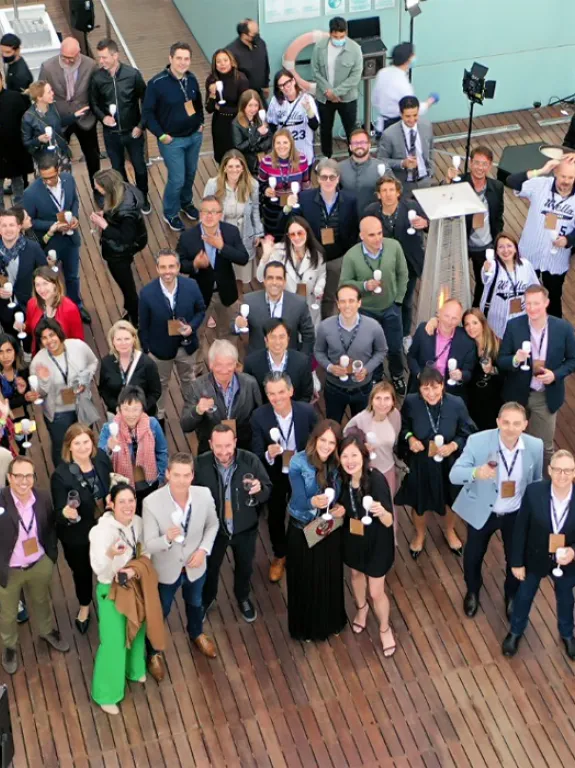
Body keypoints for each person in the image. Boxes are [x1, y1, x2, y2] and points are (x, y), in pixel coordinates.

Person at [450, 402, 543, 620]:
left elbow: (537, 481)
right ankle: (473, 590)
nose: (511, 428)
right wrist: (475, 473)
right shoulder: (477, 441)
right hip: (483, 511)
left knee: (515, 559)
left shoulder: (535, 446)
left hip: (516, 514)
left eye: (516, 423)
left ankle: (511, 595)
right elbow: (455, 475)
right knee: (473, 556)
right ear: (498, 422)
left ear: (525, 425)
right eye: (506, 422)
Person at [89, 483, 162, 715]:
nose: (128, 506)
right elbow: (98, 567)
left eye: (131, 500)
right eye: (122, 501)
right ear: (111, 502)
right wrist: (111, 553)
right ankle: (106, 693)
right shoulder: (101, 532)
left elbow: (147, 550)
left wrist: (135, 570)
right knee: (113, 641)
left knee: (138, 628)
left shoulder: (139, 523)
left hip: (135, 584)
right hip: (111, 587)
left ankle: (134, 669)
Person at [143, 452, 220, 663]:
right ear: (167, 474)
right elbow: (149, 544)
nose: (181, 481)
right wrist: (166, 538)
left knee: (195, 602)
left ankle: (196, 633)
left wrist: (203, 550)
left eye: (186, 475)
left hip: (195, 566)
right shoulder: (151, 502)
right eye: (176, 475)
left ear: (192, 475)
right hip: (166, 570)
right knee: (161, 611)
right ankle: (153, 651)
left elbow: (213, 524)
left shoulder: (204, 495)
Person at [395, 366, 476, 558]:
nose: (431, 393)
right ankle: (420, 534)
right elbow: (403, 427)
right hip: (421, 462)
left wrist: (454, 446)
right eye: (425, 388)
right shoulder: (411, 402)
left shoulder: (456, 403)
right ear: (420, 389)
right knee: (419, 502)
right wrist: (410, 439)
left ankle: (449, 531)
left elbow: (468, 431)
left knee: (450, 501)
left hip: (449, 462)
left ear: (443, 386)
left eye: (435, 387)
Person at [195, 423, 271, 622]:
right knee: (211, 568)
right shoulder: (200, 465)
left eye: (228, 446)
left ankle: (243, 597)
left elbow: (268, 490)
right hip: (214, 531)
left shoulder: (250, 461)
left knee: (245, 567)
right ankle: (207, 599)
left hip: (245, 528)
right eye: (218, 446)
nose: (224, 451)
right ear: (210, 444)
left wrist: (260, 488)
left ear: (235, 442)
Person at [0, 456, 69, 675]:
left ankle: (47, 631)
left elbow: (50, 525)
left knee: (41, 601)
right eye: (18, 476)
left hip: (39, 563)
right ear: (9, 477)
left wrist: (51, 556)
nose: (23, 481)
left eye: (28, 475)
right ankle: (9, 646)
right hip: (8, 570)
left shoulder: (43, 498)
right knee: (8, 614)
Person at [503, 449, 575, 659]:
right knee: (524, 596)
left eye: (568, 471)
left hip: (567, 561)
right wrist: (516, 562)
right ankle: (515, 632)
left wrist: (573, 551)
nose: (563, 475)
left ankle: (567, 634)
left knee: (565, 599)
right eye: (559, 470)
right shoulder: (534, 492)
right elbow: (520, 528)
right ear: (549, 470)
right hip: (534, 557)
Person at [498, 284, 575, 468]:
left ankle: (541, 486)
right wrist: (515, 360)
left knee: (544, 447)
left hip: (545, 396)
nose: (532, 308)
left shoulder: (563, 328)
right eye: (528, 303)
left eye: (536, 303)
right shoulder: (514, 325)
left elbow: (573, 359)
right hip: (517, 394)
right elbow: (501, 360)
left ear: (547, 303)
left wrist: (555, 375)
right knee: (511, 444)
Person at [250, 372, 318, 582]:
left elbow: (319, 439)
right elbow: (255, 451)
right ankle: (280, 555)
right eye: (271, 393)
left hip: (303, 471)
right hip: (275, 474)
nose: (277, 397)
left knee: (308, 509)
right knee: (276, 516)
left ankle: (308, 551)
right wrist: (268, 454)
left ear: (290, 391)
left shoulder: (307, 412)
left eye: (281, 392)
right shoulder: (259, 416)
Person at [286, 419, 346, 641]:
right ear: (315, 439)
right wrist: (315, 502)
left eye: (332, 442)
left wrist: (341, 507)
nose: (327, 446)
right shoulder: (298, 462)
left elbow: (345, 492)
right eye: (324, 440)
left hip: (328, 529)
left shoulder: (337, 464)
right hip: (302, 530)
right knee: (305, 580)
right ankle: (305, 628)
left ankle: (331, 622)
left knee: (329, 576)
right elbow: (299, 499)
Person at [51, 424, 112, 634]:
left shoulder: (102, 459)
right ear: (69, 446)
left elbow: (110, 483)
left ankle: (111, 600)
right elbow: (58, 513)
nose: (82, 447)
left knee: (109, 566)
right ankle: (85, 605)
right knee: (83, 572)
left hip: (105, 528)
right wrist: (66, 513)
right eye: (77, 443)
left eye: (86, 441)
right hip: (78, 536)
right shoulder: (61, 475)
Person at [339, 433, 395, 655]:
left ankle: (384, 628)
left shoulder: (376, 479)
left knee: (376, 591)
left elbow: (389, 521)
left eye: (354, 455)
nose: (349, 460)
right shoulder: (341, 480)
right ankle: (361, 610)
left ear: (363, 456)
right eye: (345, 456)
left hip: (377, 542)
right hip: (353, 538)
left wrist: (382, 512)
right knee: (355, 576)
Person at [339, 215, 409, 394]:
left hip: (391, 307)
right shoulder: (351, 256)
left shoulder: (394, 246)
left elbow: (403, 273)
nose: (378, 238)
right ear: (361, 235)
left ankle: (397, 374)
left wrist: (398, 300)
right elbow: (344, 284)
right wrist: (364, 286)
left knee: (394, 346)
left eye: (380, 233)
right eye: (372, 235)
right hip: (366, 311)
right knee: (370, 348)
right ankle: (376, 376)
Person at [177, 195, 249, 366]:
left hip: (226, 292)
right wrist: (194, 264)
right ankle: (198, 367)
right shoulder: (188, 237)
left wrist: (222, 247)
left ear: (220, 214)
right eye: (205, 212)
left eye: (213, 212)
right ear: (200, 214)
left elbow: (243, 258)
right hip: (200, 295)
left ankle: (228, 363)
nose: (209, 216)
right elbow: (178, 263)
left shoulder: (231, 232)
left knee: (229, 332)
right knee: (197, 333)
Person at [282, 159, 358, 319]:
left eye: (332, 177)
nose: (328, 181)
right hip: (310, 257)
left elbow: (354, 229)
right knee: (306, 295)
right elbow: (289, 225)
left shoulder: (351, 201)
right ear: (317, 178)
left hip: (336, 259)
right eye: (324, 177)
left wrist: (346, 253)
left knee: (330, 296)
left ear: (338, 178)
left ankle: (325, 324)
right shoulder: (304, 198)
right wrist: (288, 208)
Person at [138, 249, 206, 425]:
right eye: (163, 267)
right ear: (157, 268)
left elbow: (201, 310)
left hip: (187, 346)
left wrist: (192, 327)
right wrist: (148, 351)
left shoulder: (191, 286)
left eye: (171, 266)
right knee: (160, 385)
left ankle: (193, 413)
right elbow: (143, 326)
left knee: (188, 380)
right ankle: (159, 417)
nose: (167, 271)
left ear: (178, 267)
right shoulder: (146, 293)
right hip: (160, 351)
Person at [142, 42, 204, 233]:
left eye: (186, 59)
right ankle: (170, 213)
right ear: (170, 59)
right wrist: (161, 136)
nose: (183, 62)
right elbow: (148, 114)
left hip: (194, 136)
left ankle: (186, 203)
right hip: (172, 142)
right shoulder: (156, 84)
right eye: (179, 58)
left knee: (191, 173)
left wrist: (200, 122)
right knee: (177, 178)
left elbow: (197, 102)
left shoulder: (191, 79)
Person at [22, 155, 91, 323]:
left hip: (70, 239)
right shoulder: (30, 193)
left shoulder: (69, 180)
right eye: (44, 178)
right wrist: (54, 224)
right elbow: (31, 222)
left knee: (73, 276)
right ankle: (52, 312)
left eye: (52, 177)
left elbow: (74, 201)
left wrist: (74, 217)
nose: (48, 181)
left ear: (59, 170)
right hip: (49, 243)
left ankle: (76, 307)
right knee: (50, 280)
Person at [506, 157, 575, 318]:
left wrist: (568, 240)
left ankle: (553, 334)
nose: (566, 181)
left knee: (553, 299)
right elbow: (511, 181)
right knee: (525, 296)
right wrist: (541, 171)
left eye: (571, 177)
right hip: (530, 254)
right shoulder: (540, 184)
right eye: (563, 176)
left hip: (556, 259)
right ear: (555, 172)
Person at [364, 176, 428, 350]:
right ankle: (383, 336)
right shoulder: (371, 212)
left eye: (391, 190)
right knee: (383, 302)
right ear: (378, 195)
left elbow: (428, 224)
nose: (388, 194)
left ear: (398, 192)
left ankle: (405, 335)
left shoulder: (412, 207)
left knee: (406, 302)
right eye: (384, 191)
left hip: (408, 265)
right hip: (381, 267)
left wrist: (425, 223)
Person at [89, 38, 150, 211]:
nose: (101, 61)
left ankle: (143, 197)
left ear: (115, 55)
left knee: (140, 167)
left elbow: (146, 100)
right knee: (117, 170)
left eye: (104, 57)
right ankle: (126, 198)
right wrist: (103, 118)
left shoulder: (133, 75)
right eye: (100, 57)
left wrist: (141, 125)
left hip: (133, 132)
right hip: (111, 134)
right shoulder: (97, 78)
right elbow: (93, 103)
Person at [31, 319, 99, 467]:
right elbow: (39, 394)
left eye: (51, 335)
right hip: (58, 413)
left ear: (59, 333)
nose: (49, 340)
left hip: (82, 404)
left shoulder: (78, 346)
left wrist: (84, 378)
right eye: (44, 337)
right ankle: (64, 477)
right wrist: (44, 380)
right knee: (61, 448)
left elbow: (93, 362)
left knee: (86, 440)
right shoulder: (38, 362)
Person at [315, 284, 387, 422]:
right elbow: (318, 351)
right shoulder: (325, 327)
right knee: (332, 425)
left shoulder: (374, 327)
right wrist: (330, 367)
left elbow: (381, 350)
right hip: (334, 388)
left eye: (351, 301)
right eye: (342, 301)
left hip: (363, 389)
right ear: (337, 304)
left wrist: (367, 369)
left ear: (359, 303)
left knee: (360, 429)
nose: (347, 305)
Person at [445, 146, 505, 307]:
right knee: (456, 282)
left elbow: (498, 216)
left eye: (484, 164)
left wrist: (496, 241)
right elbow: (444, 202)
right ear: (470, 163)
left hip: (486, 246)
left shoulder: (497, 187)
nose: (480, 167)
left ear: (490, 165)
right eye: (477, 163)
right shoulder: (459, 183)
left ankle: (477, 311)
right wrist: (448, 182)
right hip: (462, 244)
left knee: (484, 282)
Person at [39, 37, 100, 190]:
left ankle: (97, 188)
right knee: (58, 158)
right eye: (64, 57)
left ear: (78, 53)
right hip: (60, 119)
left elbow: (96, 90)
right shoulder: (47, 67)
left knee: (92, 156)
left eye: (70, 58)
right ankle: (62, 189)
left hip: (85, 119)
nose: (67, 60)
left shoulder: (91, 65)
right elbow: (40, 95)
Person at [180, 339, 262, 454]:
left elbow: (259, 419)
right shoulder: (197, 387)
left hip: (244, 450)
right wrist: (197, 410)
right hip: (211, 451)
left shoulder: (250, 384)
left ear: (235, 364)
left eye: (229, 364)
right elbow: (185, 425)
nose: (224, 370)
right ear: (211, 364)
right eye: (219, 365)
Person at [90, 169, 147, 326]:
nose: (96, 189)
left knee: (127, 286)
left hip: (120, 251)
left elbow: (125, 237)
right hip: (134, 240)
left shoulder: (126, 211)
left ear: (107, 187)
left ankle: (135, 318)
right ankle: (131, 309)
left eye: (98, 186)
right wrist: (106, 213)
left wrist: (104, 225)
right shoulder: (123, 189)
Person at [99, 385, 168, 513]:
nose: (131, 414)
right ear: (119, 409)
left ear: (142, 408)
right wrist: (108, 447)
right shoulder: (109, 428)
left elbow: (162, 451)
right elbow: (99, 459)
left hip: (148, 482)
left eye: (135, 409)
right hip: (121, 486)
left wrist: (160, 476)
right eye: (126, 409)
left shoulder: (152, 424)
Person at [203, 150, 263, 289]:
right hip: (221, 232)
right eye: (230, 166)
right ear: (224, 168)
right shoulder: (213, 184)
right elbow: (206, 212)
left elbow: (255, 208)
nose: (234, 170)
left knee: (240, 275)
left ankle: (239, 298)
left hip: (244, 232)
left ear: (243, 167)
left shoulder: (252, 184)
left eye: (237, 166)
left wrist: (258, 233)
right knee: (224, 270)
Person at [233, 261, 315, 356]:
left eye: (279, 278)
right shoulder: (249, 301)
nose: (274, 282)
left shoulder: (299, 304)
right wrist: (237, 324)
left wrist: (302, 360)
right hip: (258, 362)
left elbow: (309, 336)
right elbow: (233, 326)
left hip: (290, 362)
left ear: (284, 282)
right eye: (270, 278)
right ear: (264, 281)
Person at [256, 217, 326, 327]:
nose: (297, 237)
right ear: (288, 236)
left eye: (300, 233)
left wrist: (319, 287)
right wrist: (265, 256)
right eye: (292, 234)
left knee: (309, 337)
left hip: (310, 306)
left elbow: (322, 275)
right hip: (285, 307)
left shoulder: (317, 255)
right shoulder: (278, 252)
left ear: (307, 233)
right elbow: (260, 277)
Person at [310, 17, 363, 158]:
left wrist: (335, 92)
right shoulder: (320, 47)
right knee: (326, 129)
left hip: (347, 99)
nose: (338, 39)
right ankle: (327, 157)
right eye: (335, 36)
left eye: (342, 36)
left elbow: (355, 77)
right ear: (330, 33)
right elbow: (315, 71)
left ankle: (354, 158)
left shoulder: (355, 49)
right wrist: (328, 91)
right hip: (324, 97)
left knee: (351, 129)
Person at [407, 298, 477, 397]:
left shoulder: (467, 341)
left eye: (454, 318)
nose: (449, 322)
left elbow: (468, 372)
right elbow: (411, 356)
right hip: (423, 386)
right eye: (446, 316)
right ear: (439, 313)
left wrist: (461, 375)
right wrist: (419, 375)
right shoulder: (424, 330)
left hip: (448, 392)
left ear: (459, 320)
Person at [345, 380, 401, 497]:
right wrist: (361, 446)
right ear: (371, 400)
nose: (382, 403)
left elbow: (396, 439)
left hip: (387, 469)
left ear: (393, 401)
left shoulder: (395, 415)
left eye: (387, 399)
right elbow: (346, 434)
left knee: (387, 506)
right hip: (367, 472)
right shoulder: (361, 419)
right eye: (378, 398)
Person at [479, 232, 539, 340]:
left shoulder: (525, 265)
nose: (506, 250)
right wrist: (486, 268)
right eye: (501, 247)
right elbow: (486, 275)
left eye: (509, 246)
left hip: (520, 317)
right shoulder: (493, 265)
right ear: (496, 251)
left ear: (515, 248)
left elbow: (535, 288)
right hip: (496, 320)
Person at [98, 320, 161, 420]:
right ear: (113, 341)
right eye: (119, 339)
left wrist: (140, 409)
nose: (123, 343)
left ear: (134, 339)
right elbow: (104, 390)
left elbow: (155, 392)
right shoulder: (107, 363)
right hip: (117, 416)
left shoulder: (147, 363)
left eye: (127, 339)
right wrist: (116, 408)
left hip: (143, 416)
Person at [21, 80, 87, 171]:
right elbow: (27, 142)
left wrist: (74, 116)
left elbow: (58, 123)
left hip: (61, 154)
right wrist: (39, 140)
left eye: (51, 90)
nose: (52, 93)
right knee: (49, 183)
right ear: (39, 97)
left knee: (65, 181)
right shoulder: (28, 117)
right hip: (44, 159)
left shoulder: (53, 107)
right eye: (49, 92)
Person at [371, 42, 437, 133]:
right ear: (408, 59)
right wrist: (431, 100)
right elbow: (414, 109)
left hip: (381, 126)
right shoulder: (403, 84)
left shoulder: (382, 73)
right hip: (396, 129)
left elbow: (374, 101)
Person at [243, 318, 314, 403]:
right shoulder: (251, 363)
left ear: (288, 339)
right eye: (273, 337)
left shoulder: (302, 361)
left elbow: (306, 394)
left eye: (282, 337)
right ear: (266, 340)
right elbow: (249, 396)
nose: (277, 342)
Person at [258, 129, 310, 239]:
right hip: (274, 206)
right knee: (276, 237)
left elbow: (306, 184)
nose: (282, 146)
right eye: (278, 143)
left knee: (295, 235)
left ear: (291, 143)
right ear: (274, 144)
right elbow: (261, 184)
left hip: (296, 205)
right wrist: (266, 190)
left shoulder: (302, 159)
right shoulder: (266, 162)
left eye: (285, 142)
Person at [378, 96, 433, 194]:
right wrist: (402, 163)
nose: (412, 119)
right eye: (408, 116)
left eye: (415, 115)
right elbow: (381, 160)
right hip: (403, 185)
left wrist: (430, 172)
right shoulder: (389, 134)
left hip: (425, 181)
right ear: (401, 114)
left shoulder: (426, 126)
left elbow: (430, 150)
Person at [266, 69, 319, 166]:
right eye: (281, 85)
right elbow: (272, 125)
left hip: (303, 148)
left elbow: (315, 126)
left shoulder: (307, 99)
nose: (285, 87)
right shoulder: (275, 101)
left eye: (287, 83)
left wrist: (308, 110)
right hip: (283, 151)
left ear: (293, 81)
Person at [25, 266, 84, 354]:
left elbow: (78, 340)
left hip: (63, 355)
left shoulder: (70, 309)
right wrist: (22, 327)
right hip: (40, 353)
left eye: (45, 283)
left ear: (54, 284)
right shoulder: (32, 304)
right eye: (37, 285)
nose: (41, 289)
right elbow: (29, 327)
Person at [461, 309, 503, 432]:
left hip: (491, 401)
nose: (471, 327)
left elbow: (505, 375)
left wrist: (492, 370)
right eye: (467, 324)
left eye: (475, 323)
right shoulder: (467, 344)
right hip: (472, 399)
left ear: (482, 323)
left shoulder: (496, 344)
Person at [205, 49, 249, 164]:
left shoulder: (240, 79)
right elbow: (209, 109)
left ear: (231, 61)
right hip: (220, 123)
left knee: (237, 157)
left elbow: (245, 109)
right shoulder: (211, 79)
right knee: (222, 156)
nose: (222, 64)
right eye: (218, 61)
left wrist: (223, 109)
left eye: (225, 60)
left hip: (237, 123)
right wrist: (212, 94)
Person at [0, 207, 47, 311]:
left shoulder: (33, 248)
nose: (8, 229)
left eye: (11, 225)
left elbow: (46, 277)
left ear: (19, 227)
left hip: (31, 307)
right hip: (4, 310)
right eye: (4, 225)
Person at [338, 127, 389, 216]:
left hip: (374, 218)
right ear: (350, 147)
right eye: (355, 143)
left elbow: (393, 191)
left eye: (363, 142)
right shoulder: (340, 167)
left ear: (369, 145)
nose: (359, 146)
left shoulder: (381, 166)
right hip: (347, 219)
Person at [0, 70, 32, 204]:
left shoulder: (15, 97)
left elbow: (26, 121)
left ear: (1, 80)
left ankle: (20, 214)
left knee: (18, 184)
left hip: (15, 149)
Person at [0, 333, 34, 447]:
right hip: (3, 423)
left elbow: (29, 397)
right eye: (0, 352)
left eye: (9, 350)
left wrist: (25, 392)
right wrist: (22, 398)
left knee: (22, 444)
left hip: (21, 418)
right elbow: (3, 404)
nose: (5, 356)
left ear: (15, 350)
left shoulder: (21, 370)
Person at [226, 19, 270, 101]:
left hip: (259, 92)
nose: (257, 35)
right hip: (243, 96)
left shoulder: (260, 43)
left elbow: (265, 64)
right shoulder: (231, 52)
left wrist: (266, 85)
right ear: (244, 35)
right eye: (254, 34)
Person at [231, 89, 272, 175]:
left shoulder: (261, 118)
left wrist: (258, 148)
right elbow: (239, 147)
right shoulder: (236, 123)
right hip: (248, 164)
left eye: (256, 105)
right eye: (250, 105)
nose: (253, 109)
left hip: (264, 160)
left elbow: (269, 139)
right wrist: (257, 134)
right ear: (243, 105)